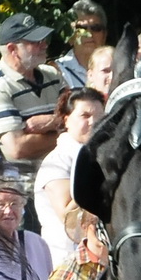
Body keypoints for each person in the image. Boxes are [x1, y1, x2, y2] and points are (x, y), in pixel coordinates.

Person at [0, 11, 63, 170]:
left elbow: (80, 118)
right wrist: (66, 133)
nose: (44, 45)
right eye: (36, 41)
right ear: (13, 49)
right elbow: (17, 149)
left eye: (44, 40)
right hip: (26, 181)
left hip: (67, 169)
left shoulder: (52, 75)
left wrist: (50, 122)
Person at [34, 86, 103, 269]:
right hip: (67, 262)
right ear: (66, 120)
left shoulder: (104, 157)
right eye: (85, 116)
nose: (94, 122)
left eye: (99, 116)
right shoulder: (57, 161)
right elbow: (68, 216)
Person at [53, 0, 105, 90]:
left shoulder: (115, 67)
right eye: (81, 28)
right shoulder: (57, 71)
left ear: (105, 35)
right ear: (70, 37)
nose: (89, 33)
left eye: (96, 28)